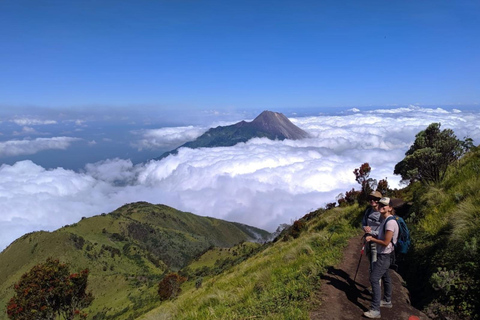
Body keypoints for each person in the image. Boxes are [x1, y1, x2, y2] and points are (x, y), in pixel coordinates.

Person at [363, 197, 399, 319]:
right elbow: (381, 235)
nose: (381, 206)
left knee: (374, 278)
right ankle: (387, 301)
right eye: (381, 204)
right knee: (385, 276)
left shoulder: (390, 222)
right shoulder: (385, 220)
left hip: (385, 254)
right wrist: (371, 233)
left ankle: (375, 310)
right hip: (385, 254)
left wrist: (371, 239)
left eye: (385, 205)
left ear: (390, 208)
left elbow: (385, 242)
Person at [361, 191, 382, 270]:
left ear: (379, 200)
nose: (372, 200)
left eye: (375, 199)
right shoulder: (368, 211)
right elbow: (363, 223)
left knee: (375, 267)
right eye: (370, 199)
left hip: (378, 243)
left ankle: (376, 281)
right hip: (368, 241)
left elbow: (384, 231)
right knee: (371, 264)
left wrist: (370, 232)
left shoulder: (383, 213)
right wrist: (365, 227)